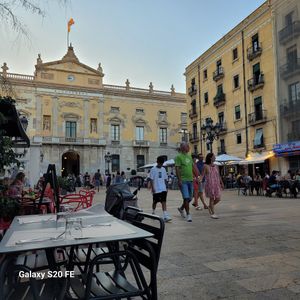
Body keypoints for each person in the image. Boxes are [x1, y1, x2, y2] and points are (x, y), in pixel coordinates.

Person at [175, 142, 198, 222]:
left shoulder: (189, 157)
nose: (189, 148)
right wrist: (179, 180)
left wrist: (197, 176)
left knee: (190, 198)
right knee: (186, 198)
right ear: (183, 148)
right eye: (187, 146)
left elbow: (192, 167)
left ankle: (181, 208)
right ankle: (188, 214)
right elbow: (177, 169)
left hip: (190, 180)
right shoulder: (178, 157)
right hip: (183, 181)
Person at [149, 156, 172, 222]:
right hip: (156, 189)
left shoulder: (164, 169)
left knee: (164, 201)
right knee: (155, 202)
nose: (161, 164)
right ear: (157, 162)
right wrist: (153, 188)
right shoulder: (153, 169)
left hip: (163, 188)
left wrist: (166, 187)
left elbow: (165, 179)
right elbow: (151, 179)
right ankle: (153, 212)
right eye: (160, 163)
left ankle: (165, 215)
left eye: (162, 163)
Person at [204, 153, 224, 219]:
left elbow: (218, 175)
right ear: (210, 158)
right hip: (210, 184)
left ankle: (210, 207)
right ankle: (212, 213)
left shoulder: (216, 166)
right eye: (214, 157)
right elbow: (202, 175)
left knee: (218, 198)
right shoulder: (206, 166)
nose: (215, 158)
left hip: (216, 184)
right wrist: (199, 179)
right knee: (212, 198)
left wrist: (221, 182)